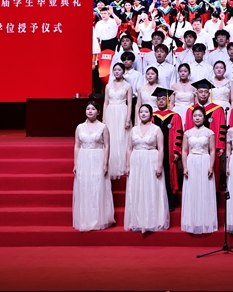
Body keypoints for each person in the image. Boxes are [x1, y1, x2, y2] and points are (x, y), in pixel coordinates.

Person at [124, 104, 170, 233]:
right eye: (141, 112)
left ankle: (153, 220)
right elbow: (129, 149)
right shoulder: (133, 130)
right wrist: (127, 165)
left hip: (151, 160)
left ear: (151, 114)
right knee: (137, 188)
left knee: (151, 188)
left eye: (146, 112)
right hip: (136, 161)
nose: (143, 114)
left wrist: (159, 165)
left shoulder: (156, 129)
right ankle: (137, 220)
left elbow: (161, 148)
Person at [73, 101, 115, 232]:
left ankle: (98, 219)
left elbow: (107, 146)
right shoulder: (80, 127)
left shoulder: (103, 127)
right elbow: (77, 146)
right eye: (88, 109)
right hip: (84, 159)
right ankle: (85, 219)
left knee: (97, 188)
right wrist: (76, 163)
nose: (90, 111)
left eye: (93, 109)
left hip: (98, 158)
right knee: (85, 187)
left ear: (98, 112)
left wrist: (105, 163)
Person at [181, 106, 218, 234]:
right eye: (195, 116)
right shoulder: (187, 133)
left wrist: (211, 166)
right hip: (191, 161)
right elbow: (184, 151)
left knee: (204, 190)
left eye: (200, 116)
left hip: (204, 161)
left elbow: (212, 150)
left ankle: (205, 221)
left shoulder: (209, 133)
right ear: (192, 118)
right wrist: (185, 167)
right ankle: (192, 221)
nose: (197, 118)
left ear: (204, 118)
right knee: (192, 190)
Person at [151, 88, 184, 211]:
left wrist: (176, 151)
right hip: (156, 151)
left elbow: (179, 134)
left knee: (170, 175)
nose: (161, 101)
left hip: (169, 151)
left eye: (163, 99)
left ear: (168, 101)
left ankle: (170, 201)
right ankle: (157, 201)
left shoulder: (175, 116)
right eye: (159, 99)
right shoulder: (152, 116)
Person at [103, 63, 133, 179]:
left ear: (123, 71)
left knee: (121, 138)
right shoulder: (108, 86)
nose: (117, 72)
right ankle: (110, 165)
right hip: (110, 112)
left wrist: (128, 119)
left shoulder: (127, 86)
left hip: (122, 112)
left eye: (119, 70)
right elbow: (106, 102)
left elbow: (130, 103)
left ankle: (123, 166)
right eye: (115, 70)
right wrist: (104, 118)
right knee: (111, 138)